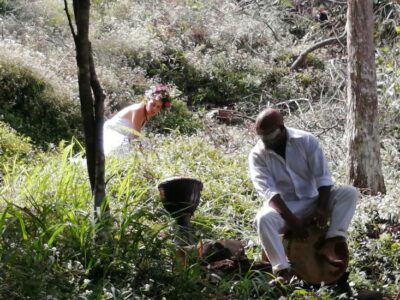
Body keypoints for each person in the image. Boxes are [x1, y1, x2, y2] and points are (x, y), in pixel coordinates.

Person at [248, 108, 358, 283]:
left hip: (313, 200)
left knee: (349, 193)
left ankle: (331, 243)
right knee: (263, 219)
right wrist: (292, 220)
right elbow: (269, 194)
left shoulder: (306, 141)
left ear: (281, 128)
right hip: (285, 206)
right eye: (263, 137)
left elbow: (323, 178)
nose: (266, 141)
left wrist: (322, 208)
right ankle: (282, 271)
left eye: (270, 136)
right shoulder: (257, 155)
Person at [103, 84, 171, 156]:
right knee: (126, 149)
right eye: (153, 104)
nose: (154, 108)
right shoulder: (138, 110)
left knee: (148, 147)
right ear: (147, 100)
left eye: (158, 107)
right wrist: (143, 155)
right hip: (112, 132)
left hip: (124, 135)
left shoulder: (147, 113)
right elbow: (135, 137)